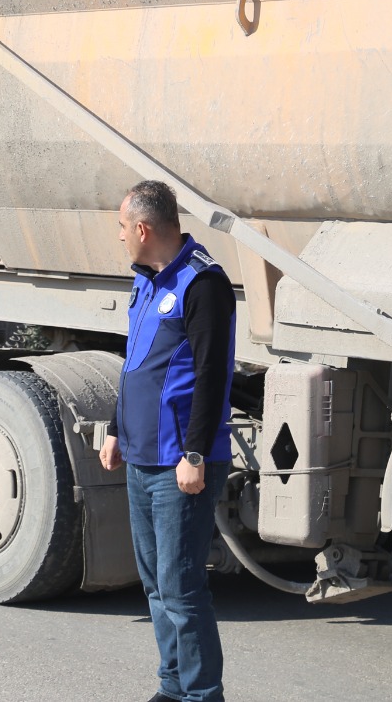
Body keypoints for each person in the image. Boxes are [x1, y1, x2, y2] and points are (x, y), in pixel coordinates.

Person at [100, 180, 236, 702]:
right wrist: (115, 428)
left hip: (180, 462)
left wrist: (195, 454)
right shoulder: (147, 280)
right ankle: (173, 686)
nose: (119, 238)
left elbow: (211, 376)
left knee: (181, 588)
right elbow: (136, 363)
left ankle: (203, 695)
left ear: (142, 228)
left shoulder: (203, 284)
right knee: (156, 586)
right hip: (141, 456)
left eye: (120, 227)